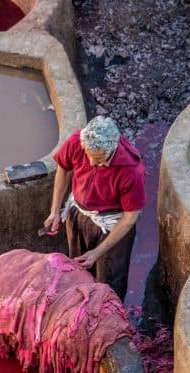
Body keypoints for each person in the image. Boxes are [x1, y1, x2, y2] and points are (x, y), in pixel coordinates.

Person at [42, 116, 145, 301]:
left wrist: (98, 252)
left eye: (98, 160)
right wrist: (55, 211)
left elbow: (130, 217)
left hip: (111, 226)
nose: (91, 163)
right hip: (80, 215)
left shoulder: (131, 169)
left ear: (112, 148)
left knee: (109, 283)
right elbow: (63, 168)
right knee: (77, 271)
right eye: (88, 155)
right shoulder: (76, 141)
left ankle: (109, 320)